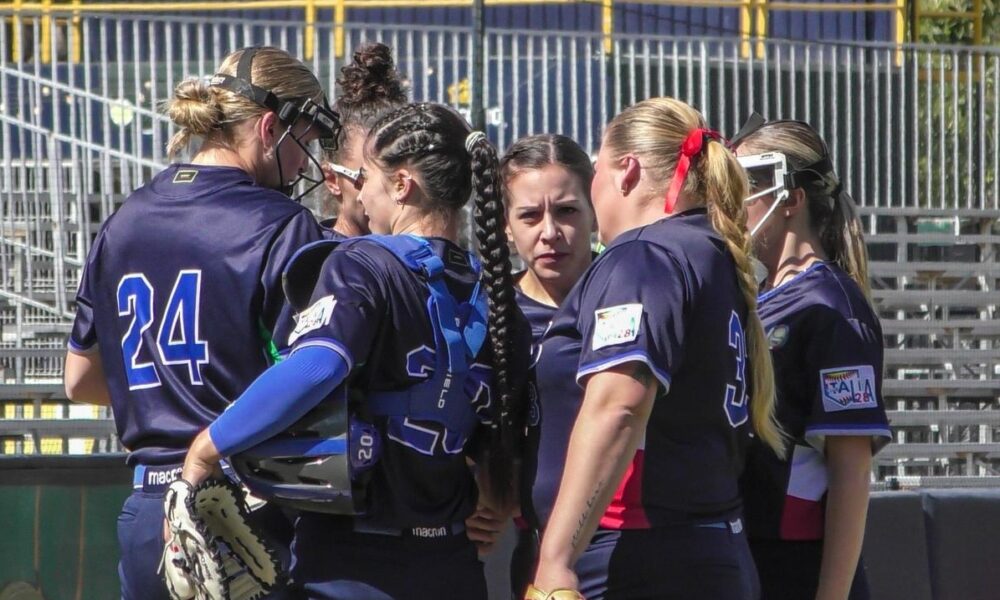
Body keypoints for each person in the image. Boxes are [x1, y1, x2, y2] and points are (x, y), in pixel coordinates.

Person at [179, 102, 532, 599]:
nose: (361, 193)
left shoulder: (362, 264)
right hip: (452, 564)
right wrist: (494, 503)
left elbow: (318, 365)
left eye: (367, 178)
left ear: (402, 185)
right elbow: (505, 444)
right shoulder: (495, 292)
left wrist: (207, 448)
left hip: (351, 565)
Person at [62, 46, 337, 599]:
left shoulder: (124, 219)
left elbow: (80, 381)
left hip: (148, 515)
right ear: (268, 128)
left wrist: (169, 390)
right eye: (302, 141)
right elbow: (311, 382)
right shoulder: (282, 225)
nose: (305, 165)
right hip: (247, 510)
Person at [528, 96, 784, 600]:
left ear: (627, 171)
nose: (593, 185)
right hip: (708, 548)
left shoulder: (644, 255)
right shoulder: (709, 251)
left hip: (640, 554)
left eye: (597, 168)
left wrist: (556, 559)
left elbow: (618, 407)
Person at [733, 119, 890, 600]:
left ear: (791, 198)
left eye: (743, 188)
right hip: (750, 553)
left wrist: (831, 594)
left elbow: (850, 467)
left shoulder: (831, 308)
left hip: (797, 564)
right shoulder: (758, 295)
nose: (730, 204)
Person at [486, 133, 597, 598]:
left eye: (567, 210)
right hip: (532, 552)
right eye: (530, 215)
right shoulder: (491, 314)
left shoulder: (633, 294)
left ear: (595, 210)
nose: (550, 231)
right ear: (506, 227)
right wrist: (483, 483)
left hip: (630, 543)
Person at [319, 42, 408, 238]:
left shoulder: (423, 253)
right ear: (332, 180)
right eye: (365, 177)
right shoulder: (324, 255)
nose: (391, 192)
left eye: (397, 178)